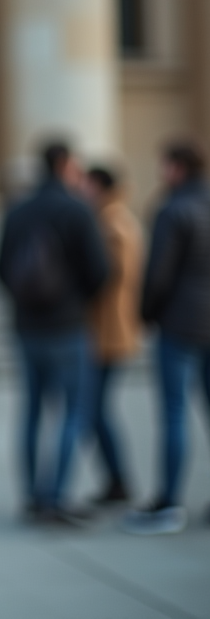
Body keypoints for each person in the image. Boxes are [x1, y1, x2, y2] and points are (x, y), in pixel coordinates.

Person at [0, 141, 108, 525]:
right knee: (73, 411)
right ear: (64, 163)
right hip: (69, 326)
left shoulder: (18, 209)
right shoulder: (77, 209)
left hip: (27, 327)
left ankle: (31, 497)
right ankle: (55, 498)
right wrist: (76, 302)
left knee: (32, 411)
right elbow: (100, 271)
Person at [123, 140, 210, 535]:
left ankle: (170, 503)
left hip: (180, 324)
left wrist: (146, 314)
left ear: (176, 167)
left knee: (174, 413)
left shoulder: (173, 209)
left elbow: (158, 273)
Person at [82, 165, 143, 506]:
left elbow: (107, 279)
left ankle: (118, 480)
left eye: (88, 184)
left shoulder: (111, 224)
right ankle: (116, 480)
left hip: (108, 332)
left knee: (95, 409)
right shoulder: (117, 220)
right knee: (97, 409)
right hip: (109, 330)